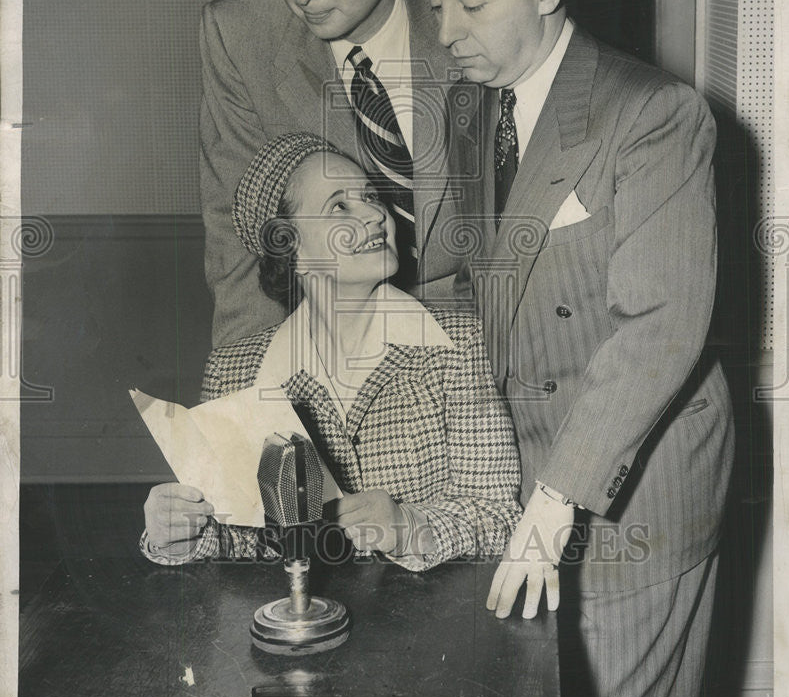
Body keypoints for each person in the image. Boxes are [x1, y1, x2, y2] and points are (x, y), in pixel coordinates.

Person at [421, 0, 734, 697]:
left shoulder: (653, 115)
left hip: (630, 487)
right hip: (521, 478)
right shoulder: (467, 107)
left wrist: (556, 502)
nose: (445, 30)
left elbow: (660, 328)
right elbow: (471, 285)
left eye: (471, 3)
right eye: (434, 2)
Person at [142, 132, 521, 571]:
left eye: (371, 197)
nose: (375, 216)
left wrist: (409, 526)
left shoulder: (457, 345)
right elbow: (242, 539)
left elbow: (501, 518)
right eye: (339, 206)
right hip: (297, 631)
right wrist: (178, 533)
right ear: (291, 248)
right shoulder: (236, 373)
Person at [201, 0, 466, 348]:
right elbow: (239, 241)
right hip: (326, 341)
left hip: (471, 334)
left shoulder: (465, 26)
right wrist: (247, 405)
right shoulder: (238, 34)